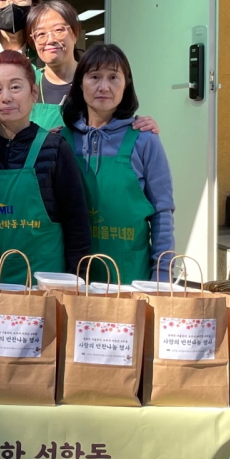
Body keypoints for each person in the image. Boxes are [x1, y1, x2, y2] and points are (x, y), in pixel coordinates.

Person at [0, 51, 92, 286]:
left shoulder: (55, 148)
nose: (6, 97)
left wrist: (77, 280)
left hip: (43, 283)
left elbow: (77, 224)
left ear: (34, 93)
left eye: (15, 87)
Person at [64, 43, 175, 283]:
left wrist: (163, 275)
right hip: (72, 275)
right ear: (80, 84)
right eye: (94, 77)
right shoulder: (61, 141)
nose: (104, 87)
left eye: (113, 77)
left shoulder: (145, 139)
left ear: (126, 84)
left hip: (129, 274)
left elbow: (162, 212)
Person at [28, 0, 162, 137]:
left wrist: (141, 125)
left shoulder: (97, 79)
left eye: (58, 30)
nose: (50, 40)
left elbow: (121, 122)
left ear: (75, 34)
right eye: (41, 34)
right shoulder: (27, 83)